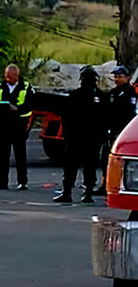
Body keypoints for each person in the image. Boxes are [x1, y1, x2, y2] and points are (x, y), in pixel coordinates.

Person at [53, 66, 108, 204]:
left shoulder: (75, 95)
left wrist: (67, 135)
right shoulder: (101, 97)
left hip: (77, 139)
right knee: (89, 167)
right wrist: (102, 137)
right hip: (91, 140)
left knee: (71, 167)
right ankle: (87, 193)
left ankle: (68, 193)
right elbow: (107, 119)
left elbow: (66, 117)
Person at [0, 64, 35, 190]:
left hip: (18, 126)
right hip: (3, 126)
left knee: (20, 155)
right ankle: (3, 182)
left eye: (11, 77)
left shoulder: (26, 88)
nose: (8, 79)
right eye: (7, 76)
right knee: (3, 156)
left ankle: (22, 182)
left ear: (17, 76)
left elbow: (31, 105)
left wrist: (17, 109)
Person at [97, 65, 138, 195]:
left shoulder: (129, 93)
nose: (117, 79)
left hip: (121, 131)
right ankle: (104, 184)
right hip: (110, 129)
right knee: (105, 159)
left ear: (127, 78)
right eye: (115, 77)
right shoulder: (113, 93)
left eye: (120, 77)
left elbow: (128, 114)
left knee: (117, 160)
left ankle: (114, 185)